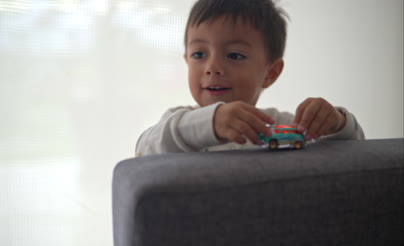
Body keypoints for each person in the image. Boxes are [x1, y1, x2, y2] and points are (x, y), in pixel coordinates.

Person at [136, 0, 364, 156]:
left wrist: (336, 124)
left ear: (270, 73)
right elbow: (143, 152)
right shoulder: (181, 124)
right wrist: (209, 123)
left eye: (234, 55)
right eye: (199, 54)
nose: (212, 67)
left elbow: (356, 154)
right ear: (187, 60)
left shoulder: (281, 125)